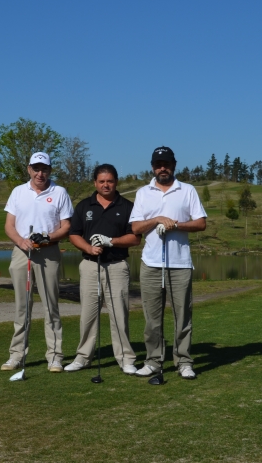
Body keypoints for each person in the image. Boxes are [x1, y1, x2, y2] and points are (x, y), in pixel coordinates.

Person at [129, 146, 207, 380]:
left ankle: (183, 361)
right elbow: (135, 227)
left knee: (182, 317)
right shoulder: (143, 192)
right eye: (158, 164)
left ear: (174, 165)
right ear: (152, 166)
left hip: (180, 264)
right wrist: (156, 220)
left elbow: (201, 223)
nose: (162, 168)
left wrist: (175, 224)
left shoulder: (188, 190)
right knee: (152, 318)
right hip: (151, 263)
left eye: (166, 163)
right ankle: (153, 361)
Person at [0, 152, 74, 373]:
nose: (40, 173)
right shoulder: (18, 192)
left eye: (44, 169)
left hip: (48, 253)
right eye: (36, 168)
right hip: (22, 253)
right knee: (22, 307)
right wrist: (22, 242)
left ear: (50, 170)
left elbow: (66, 226)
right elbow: (9, 226)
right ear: (29, 169)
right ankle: (16, 355)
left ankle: (54, 357)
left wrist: (48, 238)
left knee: (51, 306)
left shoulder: (59, 192)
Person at [65, 164, 142, 375]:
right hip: (90, 265)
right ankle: (83, 357)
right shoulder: (84, 206)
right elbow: (73, 234)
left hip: (117, 266)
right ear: (95, 183)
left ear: (116, 182)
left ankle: (126, 358)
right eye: (101, 181)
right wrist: (89, 247)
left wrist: (111, 241)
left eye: (109, 181)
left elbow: (135, 238)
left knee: (119, 314)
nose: (106, 185)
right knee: (88, 314)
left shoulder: (127, 206)